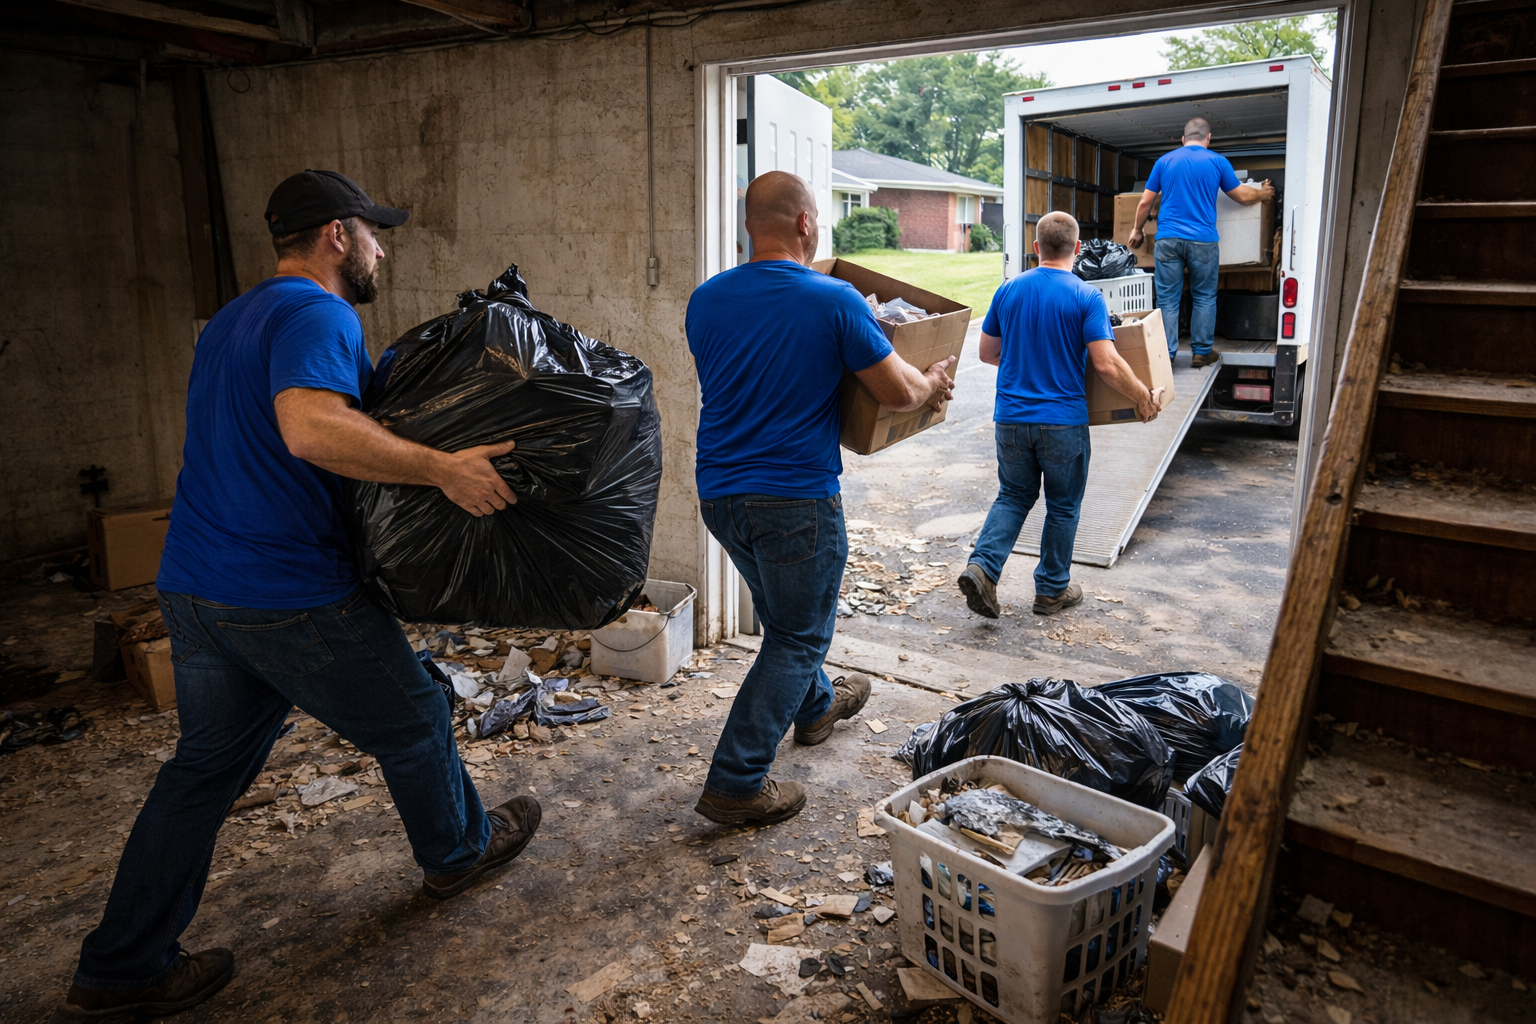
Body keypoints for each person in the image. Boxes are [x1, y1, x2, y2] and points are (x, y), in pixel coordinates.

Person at [52, 170, 541, 1023]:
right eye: (374, 232)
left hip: (196, 586)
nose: (382, 247)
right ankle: (458, 852)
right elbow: (308, 427)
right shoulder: (320, 313)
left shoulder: (234, 320)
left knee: (203, 771)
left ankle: (119, 968)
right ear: (336, 235)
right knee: (415, 716)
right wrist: (440, 468)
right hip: (285, 591)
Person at [686, 171, 956, 826]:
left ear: (754, 226)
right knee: (800, 636)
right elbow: (896, 394)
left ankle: (816, 709)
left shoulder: (706, 299)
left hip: (720, 495)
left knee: (784, 618)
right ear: (807, 224)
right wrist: (934, 380)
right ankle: (736, 779)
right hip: (795, 498)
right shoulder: (835, 300)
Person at [957, 212, 1162, 619]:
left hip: (1011, 419)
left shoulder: (1008, 291)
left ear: (1036, 248)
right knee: (1063, 505)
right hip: (1062, 422)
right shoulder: (1086, 296)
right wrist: (1142, 396)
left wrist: (1025, 364)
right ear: (1078, 249)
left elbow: (987, 353)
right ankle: (1051, 591)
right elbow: (1105, 363)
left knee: (1014, 495)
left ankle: (983, 567)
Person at [1128, 117, 1275, 367]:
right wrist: (1262, 193)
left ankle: (1167, 355)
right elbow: (1239, 194)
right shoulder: (1217, 161)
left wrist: (1137, 230)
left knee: (1167, 299)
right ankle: (1202, 352)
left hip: (1168, 240)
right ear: (1208, 138)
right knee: (1205, 296)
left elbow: (1145, 202)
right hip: (1202, 241)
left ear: (1183, 140)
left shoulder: (1164, 161)